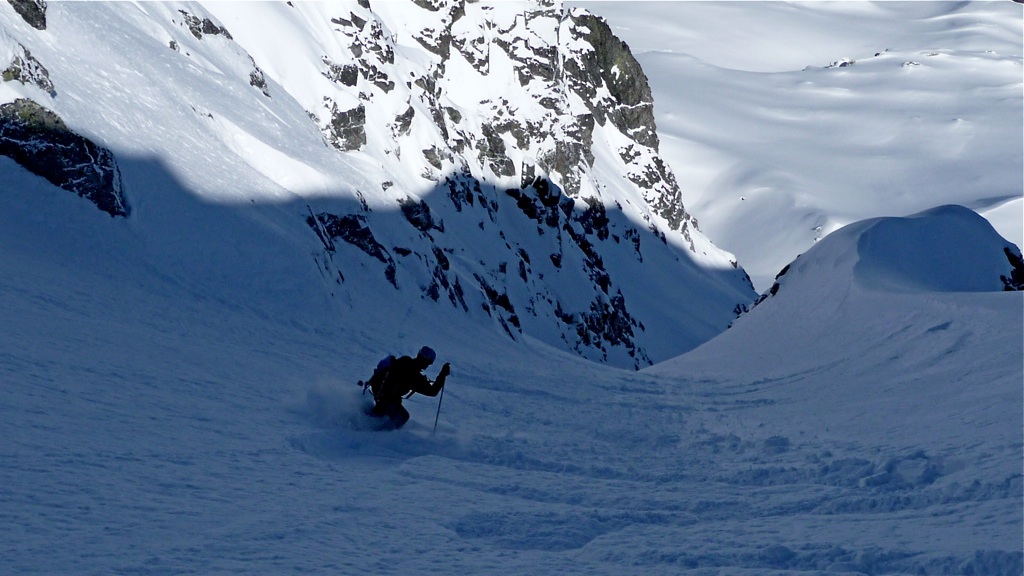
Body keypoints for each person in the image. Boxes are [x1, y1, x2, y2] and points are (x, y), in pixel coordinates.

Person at [364, 346, 450, 429]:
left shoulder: (405, 360)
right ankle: (380, 433)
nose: (428, 365)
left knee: (380, 413)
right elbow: (432, 391)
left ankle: (364, 422)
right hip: (388, 399)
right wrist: (442, 375)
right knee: (403, 417)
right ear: (423, 360)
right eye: (429, 362)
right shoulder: (414, 376)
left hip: (379, 392)